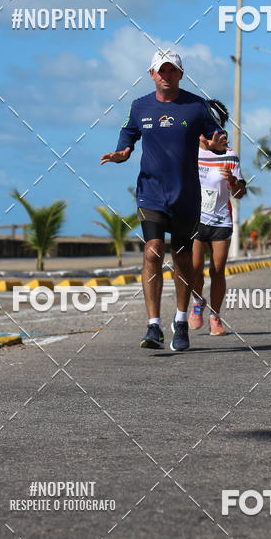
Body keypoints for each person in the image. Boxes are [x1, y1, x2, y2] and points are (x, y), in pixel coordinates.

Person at [100, 49, 227, 352]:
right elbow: (128, 134)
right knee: (153, 251)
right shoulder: (139, 106)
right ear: (152, 74)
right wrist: (121, 153)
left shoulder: (196, 106)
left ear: (180, 75)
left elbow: (218, 139)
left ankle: (181, 320)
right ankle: (153, 325)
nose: (166, 75)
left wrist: (214, 144)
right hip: (151, 192)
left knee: (182, 258)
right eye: (161, 70)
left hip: (186, 195)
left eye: (172, 71)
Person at [189, 99, 246, 336]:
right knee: (193, 269)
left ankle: (215, 315)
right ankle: (196, 303)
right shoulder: (190, 151)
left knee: (218, 270)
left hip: (221, 219)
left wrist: (232, 181)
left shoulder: (229, 155)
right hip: (194, 220)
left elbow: (240, 193)